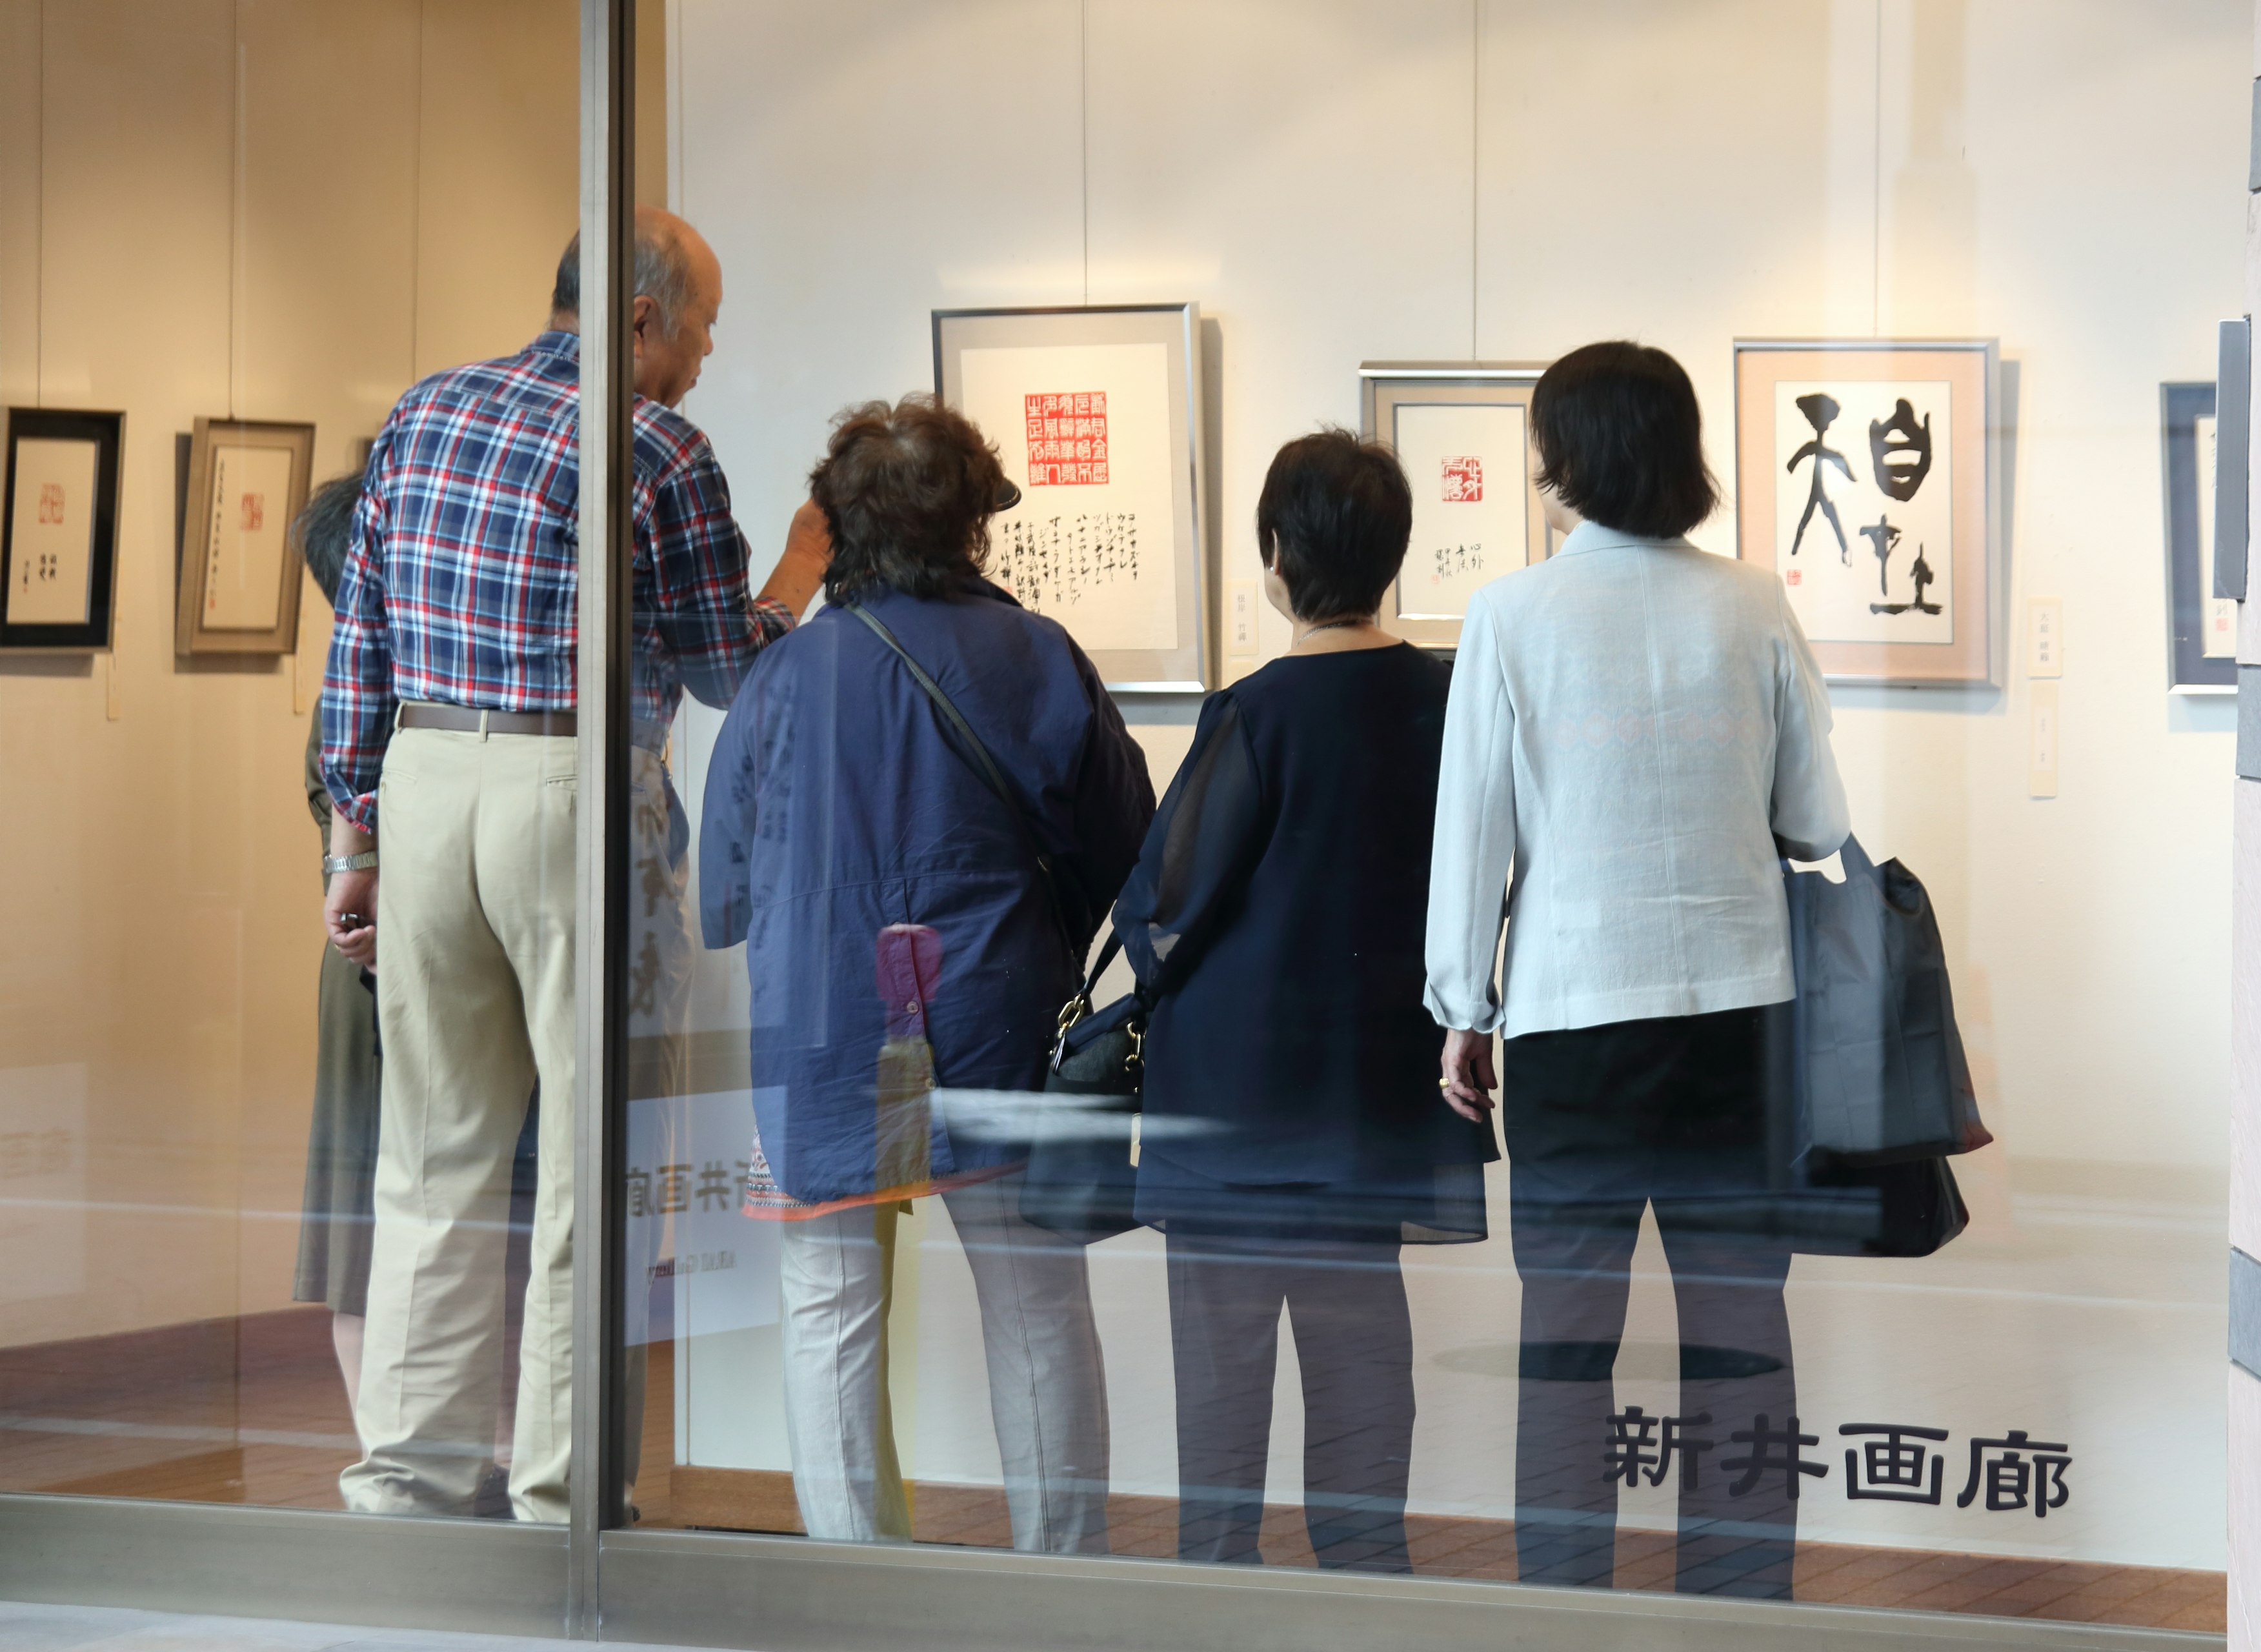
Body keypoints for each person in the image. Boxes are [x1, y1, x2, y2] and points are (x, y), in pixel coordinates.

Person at [319, 206, 829, 1522]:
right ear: (644, 318)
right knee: (596, 1157)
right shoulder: (657, 442)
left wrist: (353, 833)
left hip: (427, 778)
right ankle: (560, 1491)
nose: (711, 352)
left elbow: (358, 640)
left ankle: (406, 1477)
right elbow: (724, 666)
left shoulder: (425, 412)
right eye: (706, 323)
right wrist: (802, 567)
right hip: (571, 781)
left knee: (432, 1155)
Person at [1425, 341, 1851, 1598]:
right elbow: (1820, 822)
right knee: (1737, 1337)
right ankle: (1739, 1607)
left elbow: (1474, 834)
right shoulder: (1755, 602)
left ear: (1563, 460)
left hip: (1570, 1016)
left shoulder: (1510, 614)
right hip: (1740, 1013)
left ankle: (1563, 1608)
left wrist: (1464, 1005)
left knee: (1561, 1342)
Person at [700, 394, 1153, 1553]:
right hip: (994, 1002)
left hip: (826, 1019)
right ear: (969, 522)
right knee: (1035, 1301)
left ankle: (857, 1580)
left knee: (830, 1306)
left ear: (841, 525)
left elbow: (731, 885)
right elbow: (1125, 839)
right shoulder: (1035, 652)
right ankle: (1061, 1577)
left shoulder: (789, 675)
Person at [1112, 430, 1496, 1572]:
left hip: (1233, 1104)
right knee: (1364, 1375)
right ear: (1394, 557)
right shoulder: (1448, 699)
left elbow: (1164, 911)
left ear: (1276, 554)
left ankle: (1220, 1604)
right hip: (1374, 1095)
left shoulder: (1256, 710)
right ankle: (1367, 1595)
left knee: (1222, 1397)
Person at [291, 476, 381, 1405]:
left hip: (369, 950)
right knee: (361, 1225)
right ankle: (392, 1452)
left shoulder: (353, 674)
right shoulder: (370, 680)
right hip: (372, 962)